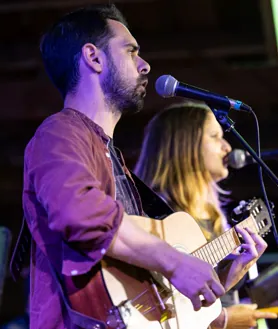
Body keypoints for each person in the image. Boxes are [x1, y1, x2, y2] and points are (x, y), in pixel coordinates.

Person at [22, 4, 268, 329]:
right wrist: (176, 263)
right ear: (93, 58)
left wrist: (219, 275)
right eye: (131, 51)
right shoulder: (60, 133)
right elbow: (78, 214)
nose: (145, 65)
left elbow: (146, 291)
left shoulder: (113, 159)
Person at [134, 101, 278, 329]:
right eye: (214, 136)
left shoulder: (216, 219)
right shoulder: (150, 217)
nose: (228, 147)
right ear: (184, 144)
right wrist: (224, 321)